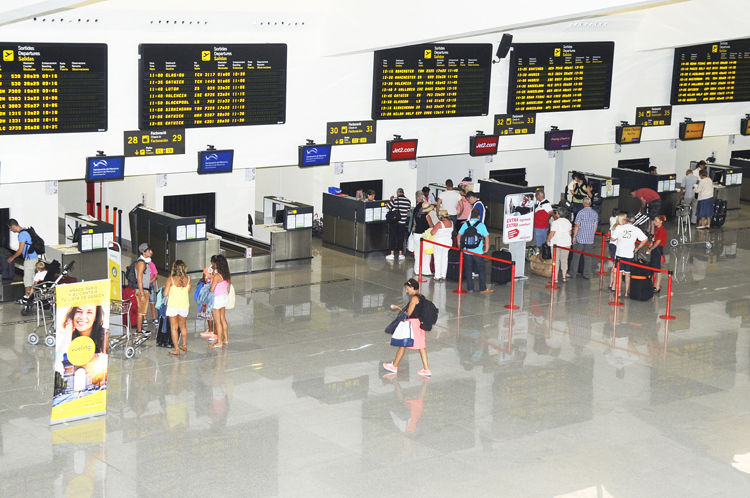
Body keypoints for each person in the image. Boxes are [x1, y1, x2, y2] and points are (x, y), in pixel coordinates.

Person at [383, 278, 431, 377]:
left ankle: (394, 366)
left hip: (413, 324)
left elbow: (408, 313)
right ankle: (426, 369)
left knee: (403, 344)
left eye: (407, 288)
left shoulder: (414, 298)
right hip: (420, 324)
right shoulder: (422, 297)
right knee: (421, 347)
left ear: (412, 287)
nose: (406, 291)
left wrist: (397, 308)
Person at [609, 214, 649, 297]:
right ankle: (627, 292)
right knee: (627, 274)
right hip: (629, 254)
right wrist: (638, 248)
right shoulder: (636, 229)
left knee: (619, 273)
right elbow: (645, 239)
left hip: (619, 253)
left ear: (626, 220)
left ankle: (619, 291)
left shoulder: (619, 228)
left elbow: (612, 238)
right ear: (633, 220)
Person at [458, 208, 492, 293]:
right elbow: (487, 238)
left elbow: (459, 236)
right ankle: (482, 288)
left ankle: (470, 288)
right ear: (479, 216)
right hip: (478, 252)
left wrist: (461, 248)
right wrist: (486, 249)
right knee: (481, 270)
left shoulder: (466, 224)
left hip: (467, 251)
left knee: (468, 269)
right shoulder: (481, 225)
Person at [6, 219, 40, 305]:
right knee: (32, 279)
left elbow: (20, 250)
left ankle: (27, 299)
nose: (11, 230)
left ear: (13, 226)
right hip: (34, 258)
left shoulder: (22, 235)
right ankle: (31, 298)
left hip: (30, 260)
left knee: (28, 280)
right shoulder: (26, 230)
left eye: (10, 228)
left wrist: (12, 257)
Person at [164, 259, 191, 355]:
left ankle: (176, 349)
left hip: (173, 306)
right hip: (184, 305)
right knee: (183, 326)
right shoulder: (188, 279)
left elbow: (165, 293)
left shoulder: (170, 279)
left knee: (174, 328)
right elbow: (188, 290)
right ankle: (184, 345)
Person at [570, 197, 599, 279]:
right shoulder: (595, 213)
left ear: (583, 203)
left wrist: (574, 236)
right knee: (587, 257)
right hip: (589, 239)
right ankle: (587, 274)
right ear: (590, 203)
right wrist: (591, 234)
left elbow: (577, 225)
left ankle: (573, 273)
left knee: (576, 256)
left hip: (580, 237)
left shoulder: (581, 213)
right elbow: (595, 226)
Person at [209, 255, 231, 348]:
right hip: (224, 297)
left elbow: (212, 289)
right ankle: (225, 339)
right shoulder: (226, 274)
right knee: (223, 319)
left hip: (216, 299)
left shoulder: (217, 276)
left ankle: (219, 342)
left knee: (217, 321)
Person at [411, 191, 434, 276]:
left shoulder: (417, 214)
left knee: (417, 253)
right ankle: (426, 270)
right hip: (424, 236)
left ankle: (417, 270)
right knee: (426, 254)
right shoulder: (427, 216)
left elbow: (415, 223)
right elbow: (432, 227)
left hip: (416, 235)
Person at [547, 207, 573, 282]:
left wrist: (548, 240)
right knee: (564, 260)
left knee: (555, 261)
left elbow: (552, 233)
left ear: (558, 214)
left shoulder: (555, 222)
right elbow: (570, 232)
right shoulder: (568, 222)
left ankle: (555, 278)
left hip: (556, 243)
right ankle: (564, 277)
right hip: (566, 243)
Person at [386, 188, 411, 261]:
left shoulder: (395, 200)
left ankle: (392, 254)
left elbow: (388, 207)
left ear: (397, 193)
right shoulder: (408, 201)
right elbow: (409, 211)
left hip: (394, 222)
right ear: (403, 193)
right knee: (401, 238)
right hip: (402, 222)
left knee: (392, 237)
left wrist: (391, 200)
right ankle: (400, 254)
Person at [135, 243, 153, 336]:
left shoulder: (144, 262)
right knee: (141, 312)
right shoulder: (141, 263)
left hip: (144, 290)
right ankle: (139, 330)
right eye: (148, 250)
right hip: (142, 290)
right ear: (143, 252)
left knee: (142, 311)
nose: (151, 252)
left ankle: (140, 329)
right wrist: (142, 294)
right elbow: (139, 279)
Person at [430, 210, 453, 282]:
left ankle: (437, 276)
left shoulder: (439, 224)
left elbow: (433, 232)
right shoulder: (451, 223)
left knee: (437, 259)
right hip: (448, 243)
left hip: (439, 243)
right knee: (445, 258)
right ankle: (444, 275)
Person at [200, 256, 217, 339]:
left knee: (214, 313)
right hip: (206, 294)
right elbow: (204, 279)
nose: (214, 264)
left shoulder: (219, 272)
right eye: (213, 262)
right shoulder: (207, 269)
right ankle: (210, 330)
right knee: (206, 312)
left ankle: (216, 332)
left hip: (215, 294)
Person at [649, 215, 667, 293]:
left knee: (657, 269)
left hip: (658, 249)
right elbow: (654, 239)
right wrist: (650, 246)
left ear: (661, 221)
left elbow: (658, 242)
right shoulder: (657, 229)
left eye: (656, 221)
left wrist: (651, 248)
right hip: (655, 249)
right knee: (654, 267)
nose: (654, 222)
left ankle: (657, 286)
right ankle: (655, 285)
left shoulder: (662, 230)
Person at [147, 259, 159, 328]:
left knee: (152, 302)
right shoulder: (140, 263)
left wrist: (149, 282)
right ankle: (144, 318)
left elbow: (155, 276)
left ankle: (154, 318)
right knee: (144, 303)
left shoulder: (151, 264)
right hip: (143, 284)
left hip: (150, 284)